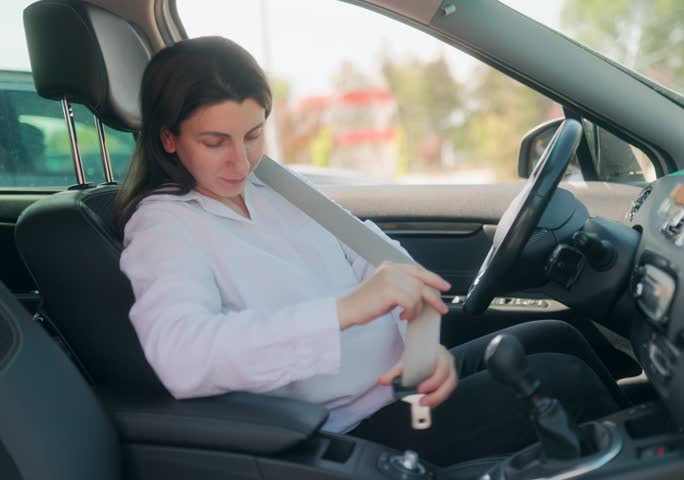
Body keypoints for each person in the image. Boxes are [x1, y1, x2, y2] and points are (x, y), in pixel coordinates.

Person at [115, 36, 624, 467]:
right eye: (214, 142)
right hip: (347, 426)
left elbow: (387, 264)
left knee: (561, 335)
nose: (240, 160)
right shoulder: (164, 226)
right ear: (169, 141)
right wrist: (344, 311)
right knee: (566, 381)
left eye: (252, 135)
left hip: (401, 383)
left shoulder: (271, 187)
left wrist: (426, 352)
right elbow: (182, 357)